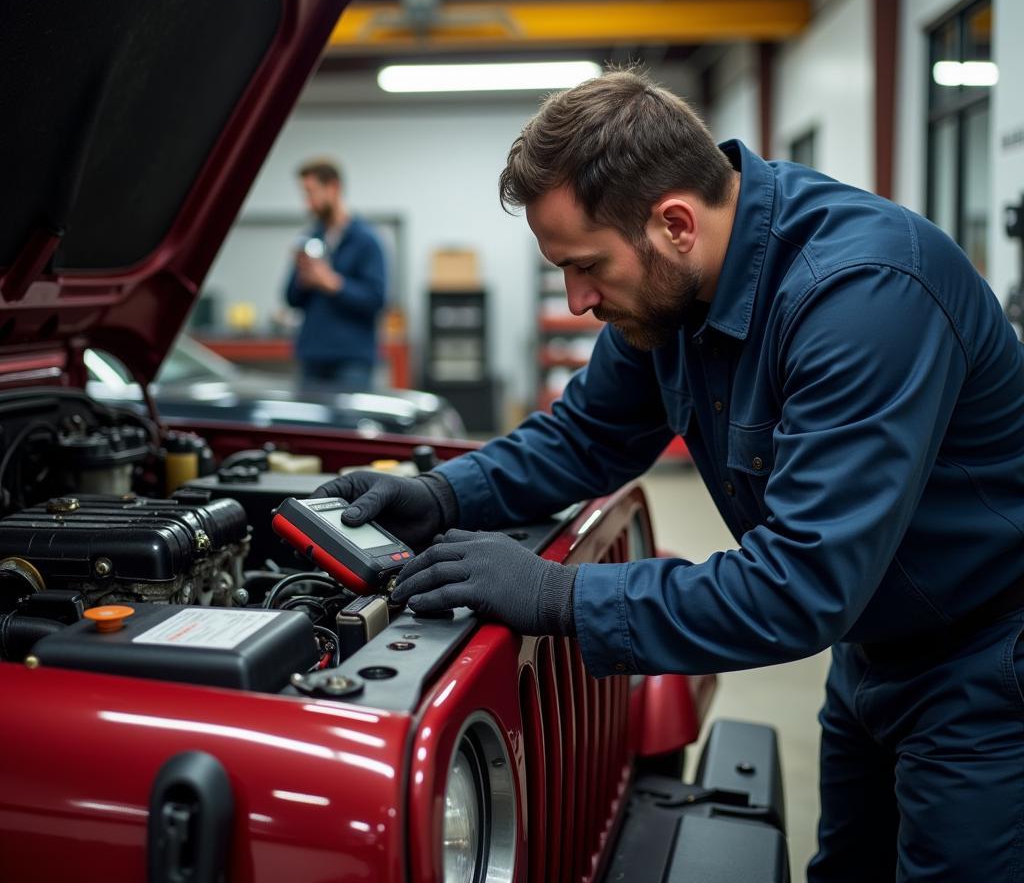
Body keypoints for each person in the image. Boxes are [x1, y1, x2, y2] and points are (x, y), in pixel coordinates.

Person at [313, 69, 1024, 880]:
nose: (579, 300)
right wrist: (440, 495)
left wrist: (558, 595)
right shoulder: (672, 292)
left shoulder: (863, 299)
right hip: (877, 647)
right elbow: (586, 435)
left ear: (675, 223)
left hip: (989, 661)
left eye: (586, 266)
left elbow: (801, 584)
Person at [284, 159, 386, 392]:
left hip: (352, 360)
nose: (307, 203)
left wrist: (331, 283)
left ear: (333, 188)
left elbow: (376, 299)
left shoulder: (366, 241)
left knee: (347, 428)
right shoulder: (309, 240)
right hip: (312, 356)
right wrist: (303, 277)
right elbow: (291, 298)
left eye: (311, 193)